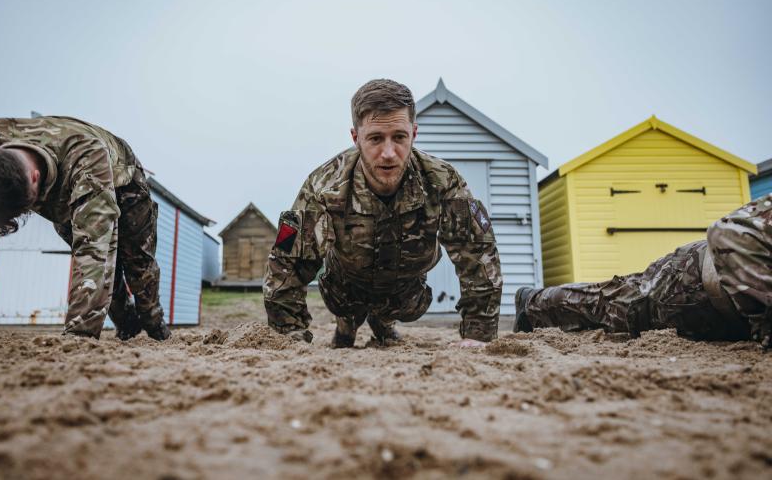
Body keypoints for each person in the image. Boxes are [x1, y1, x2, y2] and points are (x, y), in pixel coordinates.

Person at [263, 79, 503, 348]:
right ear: (356, 138)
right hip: (345, 286)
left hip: (406, 289)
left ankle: (383, 322)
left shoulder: (443, 181)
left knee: (403, 306)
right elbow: (286, 262)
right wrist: (290, 336)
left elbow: (478, 252)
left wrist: (478, 334)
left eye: (399, 137)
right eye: (375, 138)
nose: (388, 153)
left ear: (414, 133)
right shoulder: (323, 186)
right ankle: (347, 324)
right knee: (345, 313)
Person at [0, 116, 171, 341]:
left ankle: (154, 324)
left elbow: (95, 254)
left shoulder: (87, 157)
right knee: (111, 276)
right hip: (67, 199)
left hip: (124, 185)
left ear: (34, 177)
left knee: (137, 264)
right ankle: (127, 324)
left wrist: (79, 335)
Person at [514, 197, 772, 348]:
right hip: (689, 284)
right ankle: (531, 302)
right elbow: (730, 234)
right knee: (609, 304)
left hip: (722, 315)